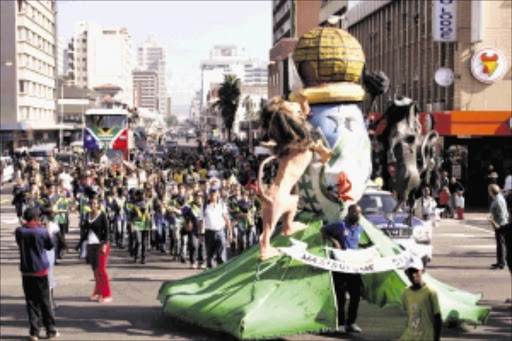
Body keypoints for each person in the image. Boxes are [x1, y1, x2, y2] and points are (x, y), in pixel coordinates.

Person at [15, 207, 59, 341]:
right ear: (36, 218)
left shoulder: (19, 231)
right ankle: (50, 329)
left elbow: (20, 235)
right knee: (45, 301)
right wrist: (46, 230)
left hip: (27, 270)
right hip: (40, 270)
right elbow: (50, 246)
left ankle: (34, 331)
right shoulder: (41, 231)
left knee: (31, 301)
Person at [321, 204, 366, 333]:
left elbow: (354, 241)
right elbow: (323, 230)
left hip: (353, 266)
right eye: (354, 213)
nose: (357, 215)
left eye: (359, 213)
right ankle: (340, 324)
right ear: (349, 213)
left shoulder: (360, 228)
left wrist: (363, 245)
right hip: (339, 265)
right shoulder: (341, 225)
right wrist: (334, 241)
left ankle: (351, 323)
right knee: (340, 296)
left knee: (355, 295)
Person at [78, 195, 112, 302]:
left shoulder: (102, 216)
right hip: (91, 244)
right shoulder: (88, 215)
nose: (93, 205)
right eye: (91, 203)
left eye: (95, 203)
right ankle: (97, 292)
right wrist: (79, 244)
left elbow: (106, 232)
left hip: (100, 245)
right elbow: (85, 231)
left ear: (98, 205)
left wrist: (104, 244)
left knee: (101, 270)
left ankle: (106, 294)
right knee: (95, 270)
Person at [401, 257, 441, 341]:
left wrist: (436, 338)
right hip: (409, 336)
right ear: (406, 274)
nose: (413, 275)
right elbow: (409, 315)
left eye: (416, 271)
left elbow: (437, 318)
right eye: (410, 272)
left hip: (426, 337)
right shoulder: (405, 292)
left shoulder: (430, 292)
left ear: (422, 271)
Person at [199, 187, 233, 268]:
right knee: (210, 257)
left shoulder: (222, 205)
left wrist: (231, 233)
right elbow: (200, 220)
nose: (213, 195)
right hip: (209, 233)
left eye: (214, 193)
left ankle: (222, 274)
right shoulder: (204, 206)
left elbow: (227, 219)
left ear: (218, 194)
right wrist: (200, 234)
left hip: (220, 232)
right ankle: (211, 274)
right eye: (211, 193)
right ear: (209, 194)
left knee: (221, 256)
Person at [488, 184, 509, 270]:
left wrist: (497, 224)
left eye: (489, 190)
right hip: (499, 223)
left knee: (501, 244)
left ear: (492, 191)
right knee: (500, 244)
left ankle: (501, 262)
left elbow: (502, 214)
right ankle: (500, 261)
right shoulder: (498, 198)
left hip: (500, 224)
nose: (488, 192)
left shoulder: (498, 200)